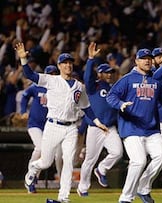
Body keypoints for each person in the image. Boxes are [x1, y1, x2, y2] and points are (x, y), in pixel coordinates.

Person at [15, 42, 108, 203]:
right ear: (58, 66)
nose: (68, 65)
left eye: (70, 62)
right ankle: (32, 170)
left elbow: (87, 108)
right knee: (45, 162)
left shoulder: (79, 86)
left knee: (69, 162)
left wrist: (98, 122)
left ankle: (63, 197)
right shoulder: (51, 80)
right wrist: (23, 59)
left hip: (71, 127)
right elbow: (30, 75)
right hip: (52, 126)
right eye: (64, 62)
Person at [106, 48, 162, 203]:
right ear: (137, 61)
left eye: (149, 58)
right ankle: (126, 198)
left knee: (161, 155)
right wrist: (120, 104)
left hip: (151, 129)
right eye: (143, 58)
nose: (147, 60)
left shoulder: (156, 80)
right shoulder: (127, 79)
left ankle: (143, 187)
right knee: (139, 161)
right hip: (131, 128)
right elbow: (111, 96)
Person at [77, 42, 123, 196]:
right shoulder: (93, 86)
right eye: (106, 72)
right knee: (89, 159)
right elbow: (87, 76)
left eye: (110, 72)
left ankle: (101, 169)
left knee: (117, 152)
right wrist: (90, 59)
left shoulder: (114, 88)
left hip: (109, 128)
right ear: (100, 74)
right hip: (95, 128)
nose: (109, 74)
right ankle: (83, 188)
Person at [20, 65, 62, 193]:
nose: (52, 76)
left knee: (58, 154)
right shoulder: (37, 86)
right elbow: (25, 95)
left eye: (54, 73)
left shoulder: (60, 88)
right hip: (35, 125)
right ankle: (31, 178)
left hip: (51, 126)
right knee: (40, 148)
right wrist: (23, 111)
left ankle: (62, 181)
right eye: (50, 74)